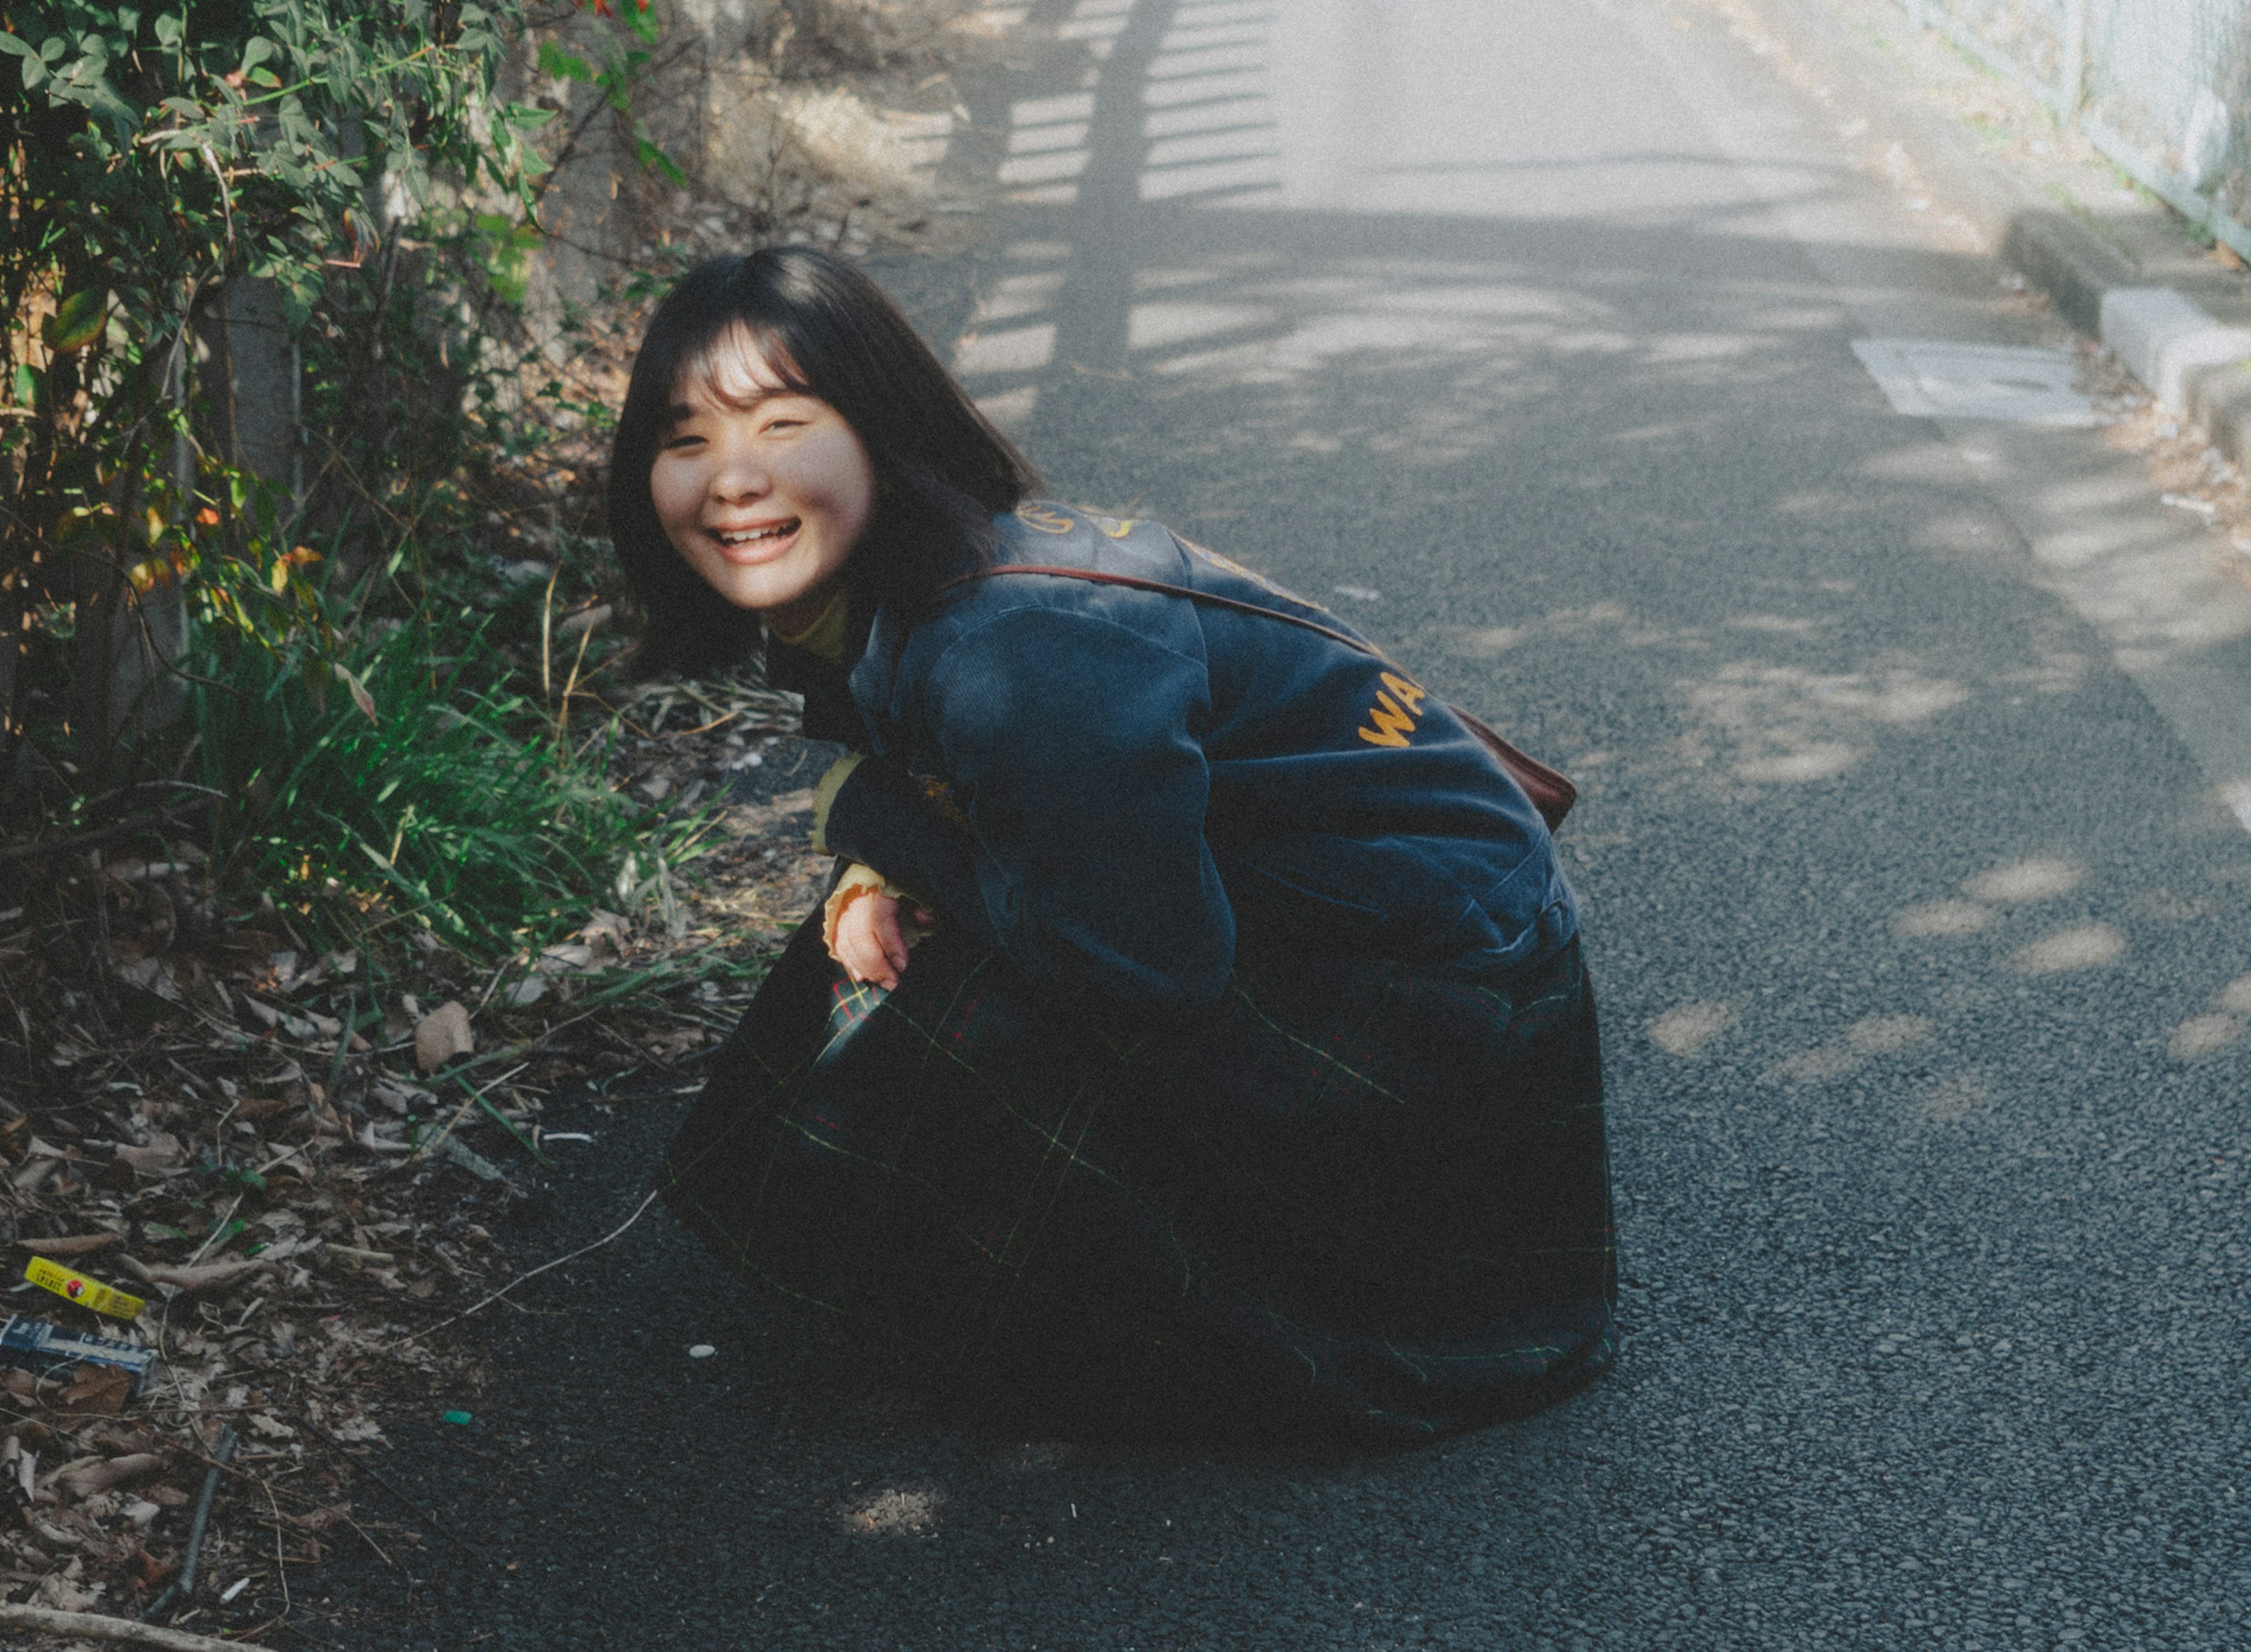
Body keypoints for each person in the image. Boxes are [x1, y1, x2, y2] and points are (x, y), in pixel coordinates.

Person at [608, 244, 1617, 1448]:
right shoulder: (936, 569)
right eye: (687, 441)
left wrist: (873, 821)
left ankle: (1268, 1311)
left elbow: (1148, 965)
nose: (732, 479)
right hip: (1383, 908)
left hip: (1447, 998)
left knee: (966, 993)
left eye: (781, 423)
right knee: (917, 913)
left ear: (881, 427)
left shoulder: (1016, 649)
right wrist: (884, 851)